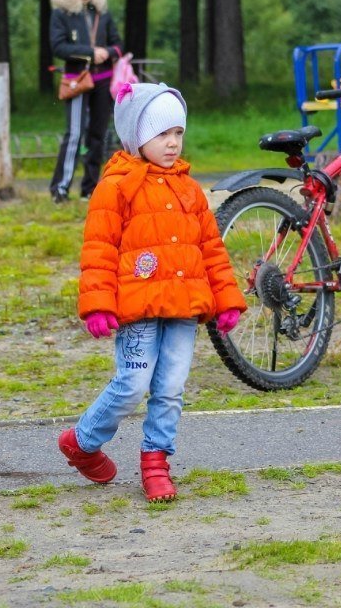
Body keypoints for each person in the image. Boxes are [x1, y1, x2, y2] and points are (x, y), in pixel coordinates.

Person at [57, 82, 247, 502]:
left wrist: (226, 298)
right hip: (138, 308)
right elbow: (99, 249)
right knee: (133, 383)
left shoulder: (189, 190)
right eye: (162, 134)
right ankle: (82, 441)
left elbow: (211, 249)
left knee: (171, 388)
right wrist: (97, 304)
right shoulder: (116, 186)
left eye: (178, 133)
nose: (173, 143)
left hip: (182, 308)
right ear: (136, 136)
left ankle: (156, 460)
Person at [50, 0, 122, 203]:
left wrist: (108, 52)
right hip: (78, 81)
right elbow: (58, 47)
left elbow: (118, 44)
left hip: (103, 81)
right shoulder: (62, 13)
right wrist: (91, 52)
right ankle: (60, 189)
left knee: (98, 135)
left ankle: (89, 189)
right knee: (74, 134)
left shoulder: (101, 11)